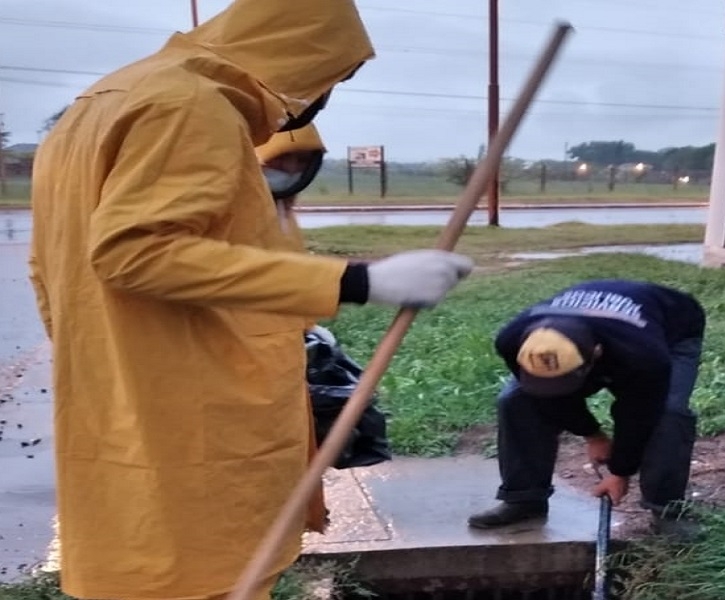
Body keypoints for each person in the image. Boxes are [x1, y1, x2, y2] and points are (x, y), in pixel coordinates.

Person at [27, 2, 472, 599]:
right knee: (201, 575)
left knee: (143, 571)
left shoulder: (102, 101)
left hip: (124, 405)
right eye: (329, 79)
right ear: (296, 52)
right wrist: (358, 282)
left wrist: (106, 363)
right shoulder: (188, 105)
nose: (318, 98)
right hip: (195, 422)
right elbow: (136, 252)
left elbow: (49, 267)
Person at [467, 279, 705, 537]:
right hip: (598, 330)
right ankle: (524, 499)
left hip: (672, 328)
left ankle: (666, 510)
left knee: (668, 413)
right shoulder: (511, 339)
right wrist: (593, 435)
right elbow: (545, 396)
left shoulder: (644, 355)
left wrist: (619, 472)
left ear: (597, 355)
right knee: (516, 401)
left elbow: (638, 413)